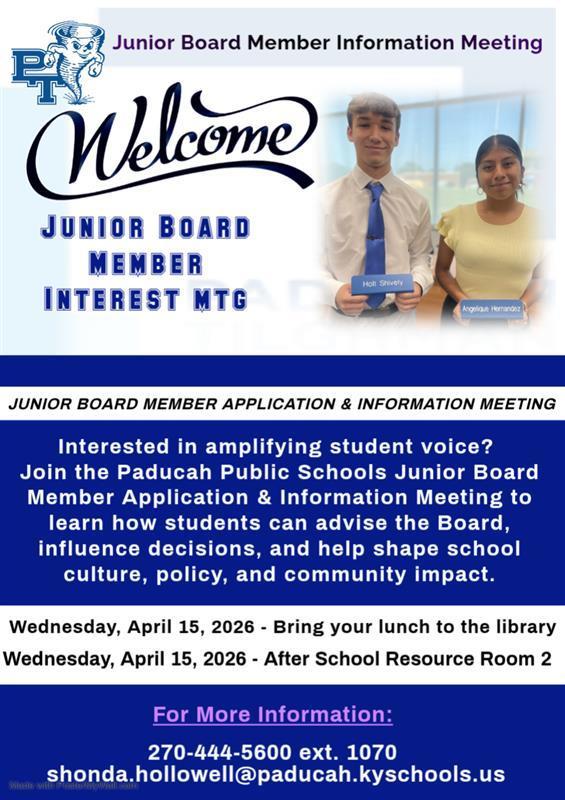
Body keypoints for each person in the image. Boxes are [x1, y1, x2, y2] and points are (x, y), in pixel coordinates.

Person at [321, 93, 433, 321]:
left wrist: (419, 284)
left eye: (385, 127)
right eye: (364, 125)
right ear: (350, 132)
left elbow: (420, 258)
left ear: (396, 137)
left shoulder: (417, 203)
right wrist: (334, 291)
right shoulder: (321, 201)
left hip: (400, 323)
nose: (375, 136)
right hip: (341, 324)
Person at [435, 134, 543, 325]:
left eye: (508, 164)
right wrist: (462, 300)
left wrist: (523, 305)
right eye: (488, 167)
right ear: (478, 178)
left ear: (522, 171)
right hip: (462, 318)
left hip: (514, 322)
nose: (499, 173)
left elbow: (541, 279)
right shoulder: (454, 218)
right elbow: (442, 271)